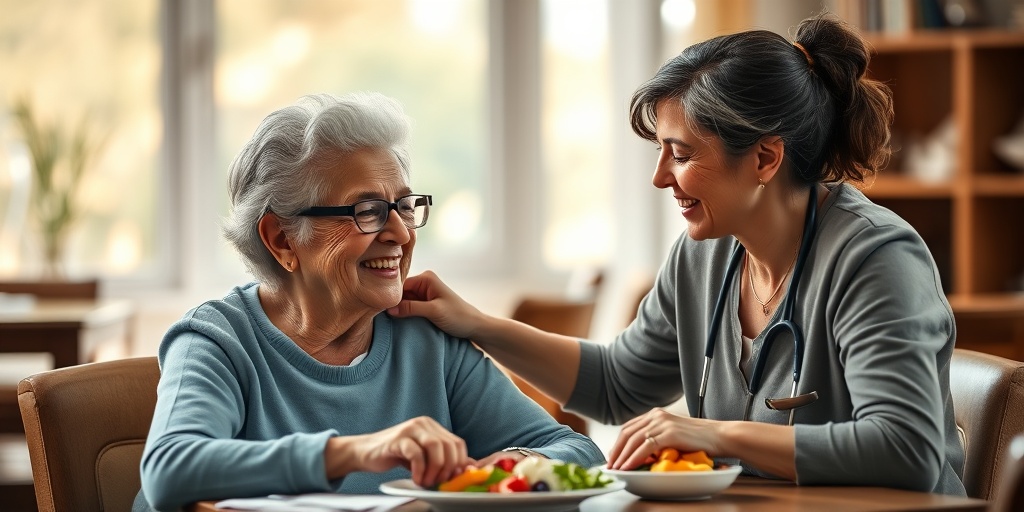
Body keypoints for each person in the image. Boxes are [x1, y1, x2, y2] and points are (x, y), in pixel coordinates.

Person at [390, 13, 967, 495]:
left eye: (680, 153)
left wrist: (712, 435)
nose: (660, 177)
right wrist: (476, 325)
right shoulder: (705, 258)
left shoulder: (877, 259)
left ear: (765, 159)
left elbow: (906, 449)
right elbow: (616, 385)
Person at [133, 92, 605, 512]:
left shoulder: (426, 340)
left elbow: (575, 450)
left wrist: (485, 479)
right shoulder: (217, 340)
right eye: (367, 212)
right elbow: (170, 468)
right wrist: (356, 451)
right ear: (282, 240)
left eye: (403, 206)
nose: (400, 233)